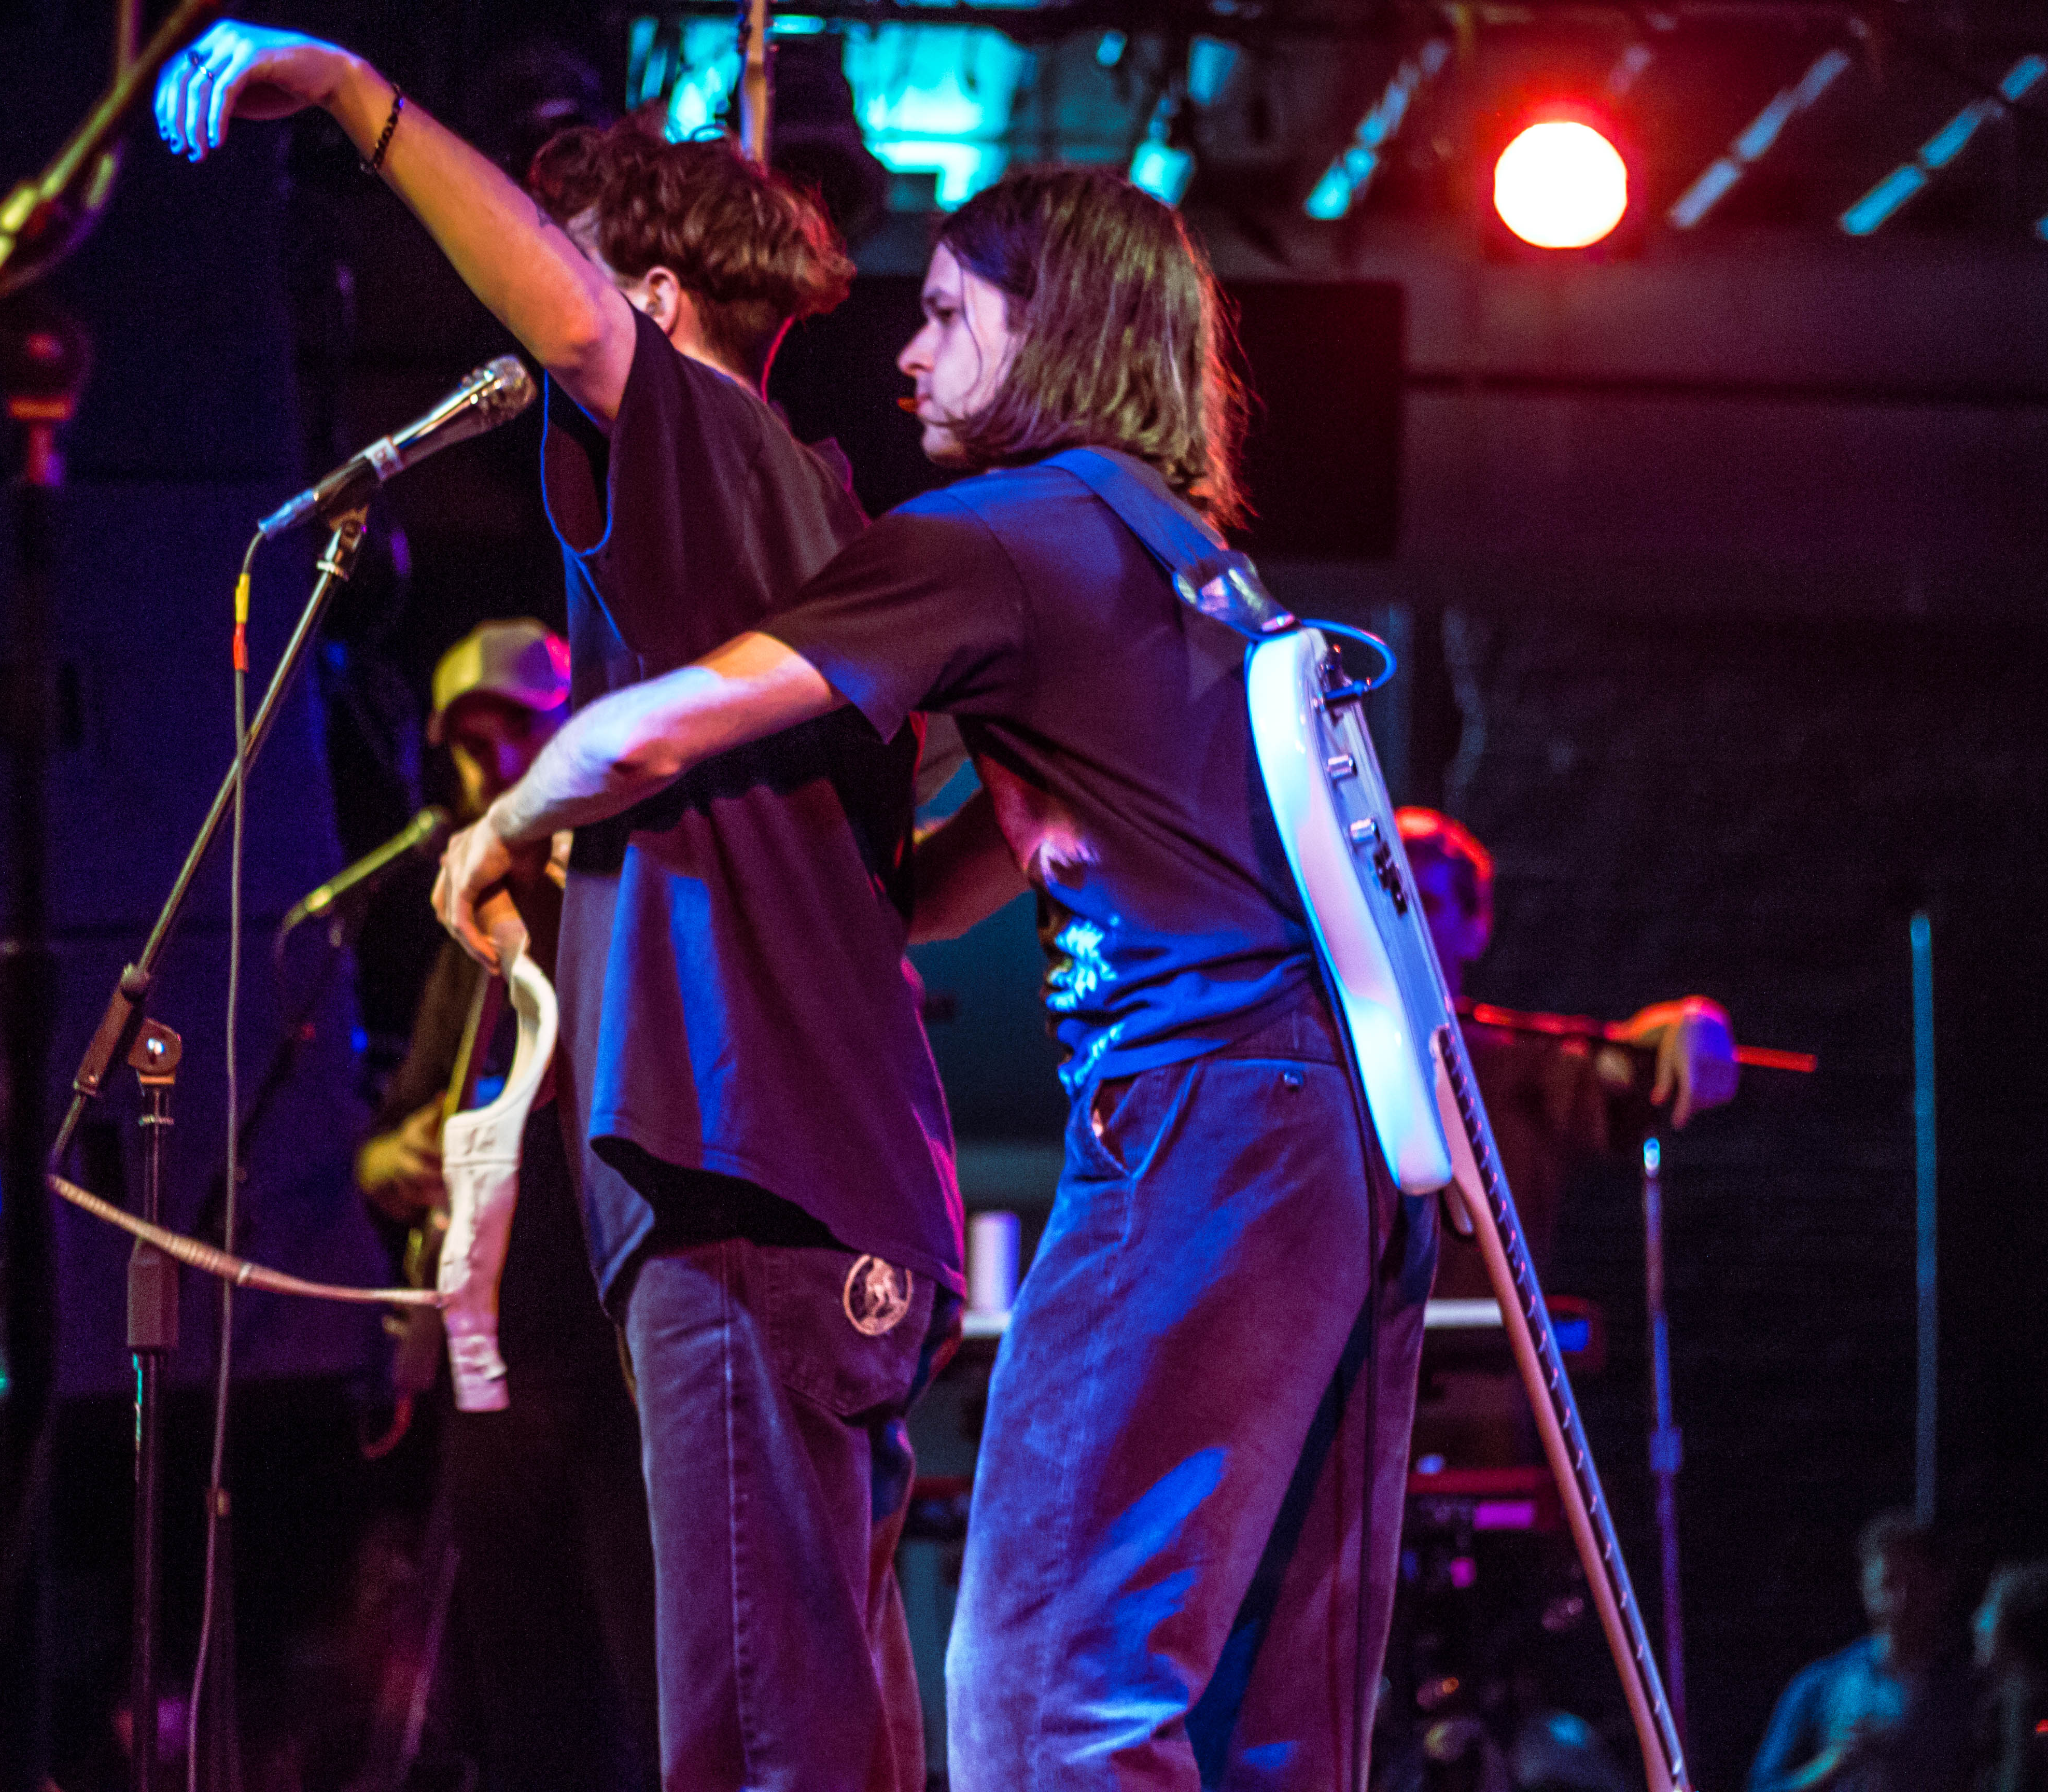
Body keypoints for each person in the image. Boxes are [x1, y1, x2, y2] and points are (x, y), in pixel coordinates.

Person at [436, 164, 1434, 1789]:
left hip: (1198, 1114)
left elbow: (663, 724)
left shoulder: (998, 535)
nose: (908, 360)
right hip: (1349, 1148)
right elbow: (995, 855)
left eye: (951, 316)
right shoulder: (1180, 555)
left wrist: (504, 823)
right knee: (1262, 1717)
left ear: (1052, 333)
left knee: (1048, 1679)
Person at [160, 31, 962, 1791]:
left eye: (567, 265)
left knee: (753, 1739)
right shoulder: (816, 517)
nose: (530, 316)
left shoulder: (704, 447)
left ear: (652, 298)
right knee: (832, 1723)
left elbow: (582, 329)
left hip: (745, 1182)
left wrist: (355, 97)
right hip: (836, 1194)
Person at [350, 620, 656, 1792]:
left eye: (516, 736)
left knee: (651, 1672)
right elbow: (400, 1124)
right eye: (470, 747)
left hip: (615, 1348)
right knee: (527, 1695)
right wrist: (396, 1157)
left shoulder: (622, 893)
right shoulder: (467, 931)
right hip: (493, 1363)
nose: (492, 769)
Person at [1397, 807, 1741, 1293]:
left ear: (1476, 927)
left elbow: (1617, 1066)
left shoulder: (1518, 1066)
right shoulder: (1319, 1055)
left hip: (1480, 1341)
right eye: (1390, 902)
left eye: (1426, 904)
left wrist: (1692, 1021)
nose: (1404, 924)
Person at [1749, 1513, 1975, 1792]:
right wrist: (1833, 1761)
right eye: (1890, 1582)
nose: (1902, 1599)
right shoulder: (1821, 1684)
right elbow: (1762, 1788)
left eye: (1916, 1584)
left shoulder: (1964, 1688)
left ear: (1940, 1588)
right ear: (1866, 1587)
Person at [1973, 1559, 2048, 1792]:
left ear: (2017, 1624)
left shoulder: (2024, 1702)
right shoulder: (2007, 1698)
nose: (1977, 1622)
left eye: (1989, 1609)